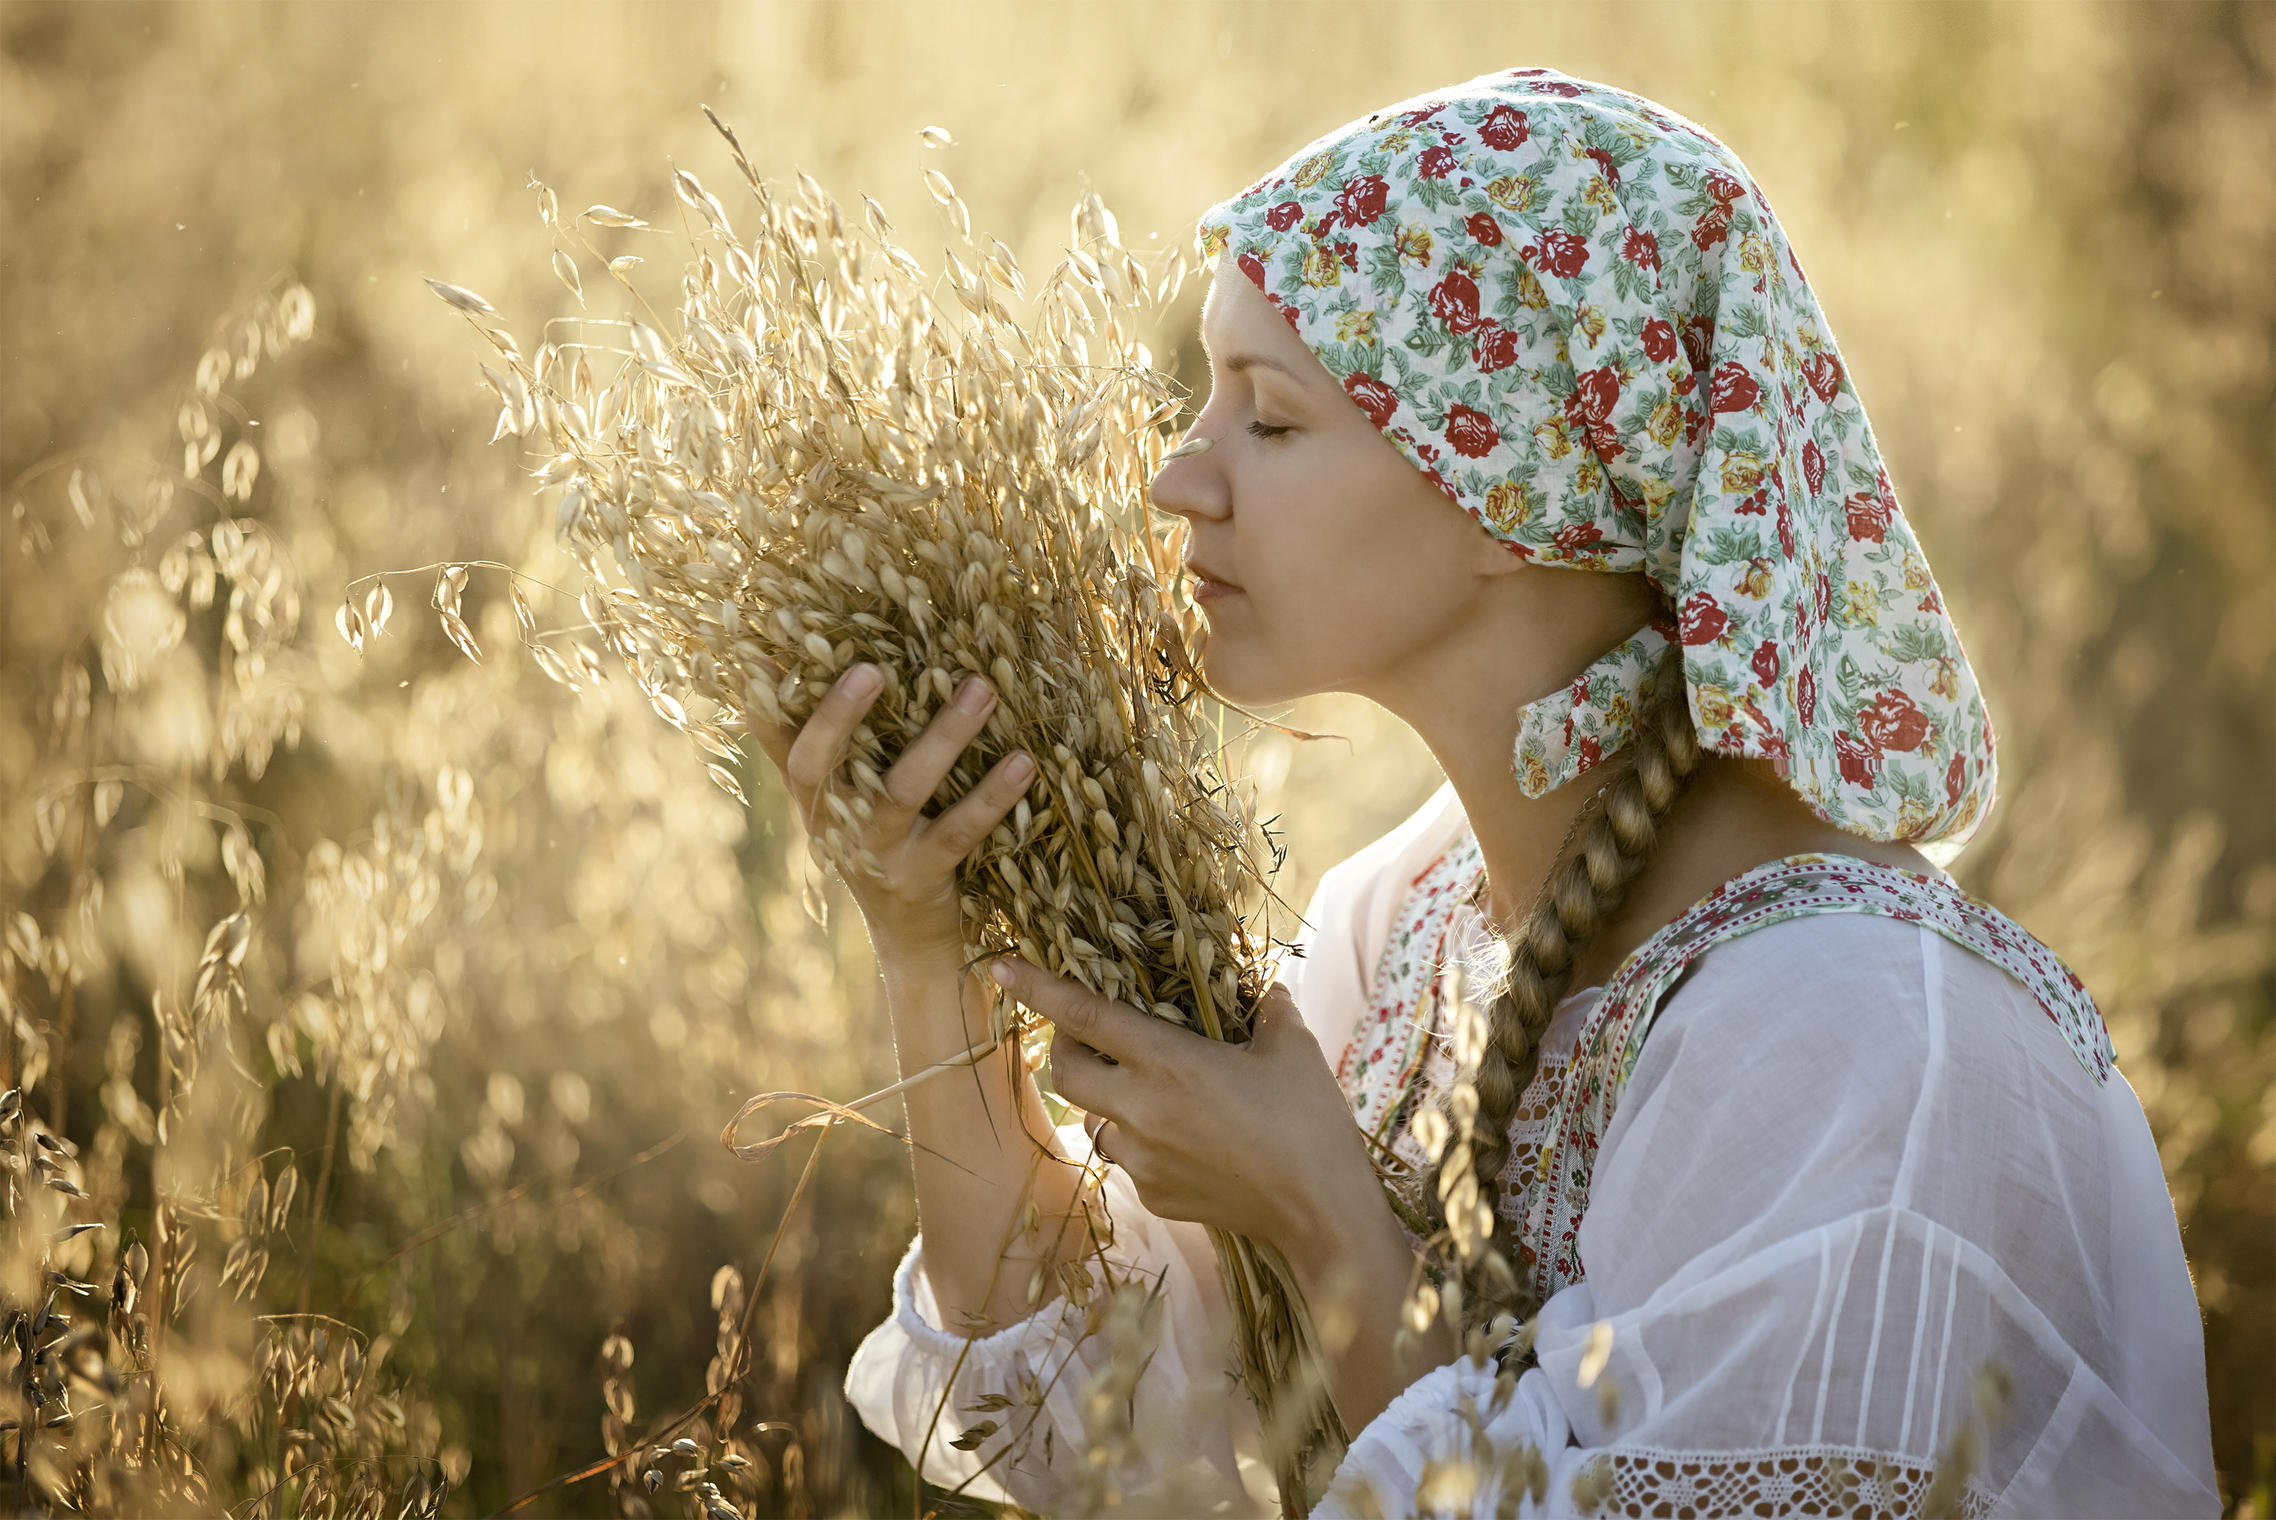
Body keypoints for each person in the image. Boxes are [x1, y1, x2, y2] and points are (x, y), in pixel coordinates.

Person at [757, 68, 2219, 1516]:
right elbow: (1077, 1435)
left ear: (1519, 489)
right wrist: (928, 950)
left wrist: (1319, 1208)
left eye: (1267, 420)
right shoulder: (1406, 926)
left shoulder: (1859, 1043)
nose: (1178, 482)